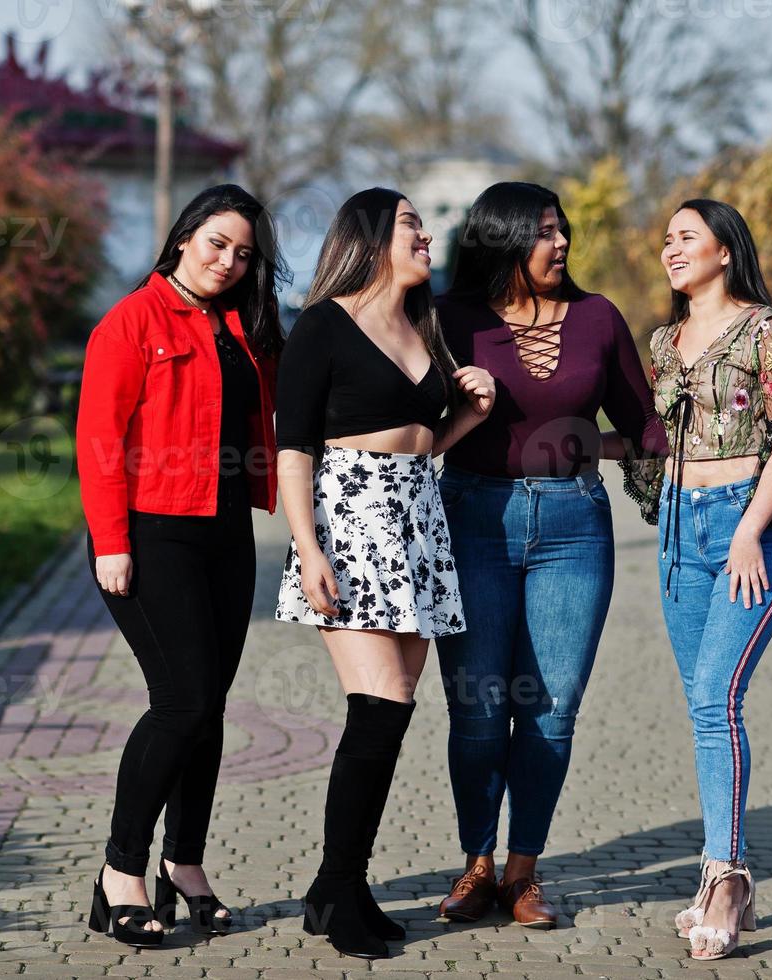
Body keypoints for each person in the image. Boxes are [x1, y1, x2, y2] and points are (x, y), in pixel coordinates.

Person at [432, 181, 668, 928]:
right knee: (477, 712)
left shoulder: (598, 318)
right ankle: (474, 864)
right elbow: (406, 418)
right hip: (472, 517)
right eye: (542, 232)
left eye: (561, 229)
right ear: (500, 239)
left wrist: (581, 443)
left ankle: (522, 873)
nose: (560, 242)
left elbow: (644, 429)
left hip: (572, 528)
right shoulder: (452, 321)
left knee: (550, 713)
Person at [273, 187, 496, 959]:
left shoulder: (421, 326)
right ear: (368, 237)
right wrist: (308, 548)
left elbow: (424, 443)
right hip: (349, 519)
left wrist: (466, 414)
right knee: (378, 704)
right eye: (409, 222)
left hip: (417, 521)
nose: (425, 234)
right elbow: (294, 448)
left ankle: (337, 885)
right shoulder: (324, 326)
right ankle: (339, 889)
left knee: (393, 713)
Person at [76, 184, 287, 946]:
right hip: (149, 533)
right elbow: (98, 440)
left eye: (243, 253)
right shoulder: (129, 322)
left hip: (224, 534)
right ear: (183, 237)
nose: (228, 262)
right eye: (216, 244)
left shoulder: (245, 327)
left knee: (210, 708)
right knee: (181, 701)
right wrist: (110, 542)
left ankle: (184, 866)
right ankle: (120, 873)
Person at [640, 198, 772, 960]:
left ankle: (726, 876)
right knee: (700, 706)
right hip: (680, 530)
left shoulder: (766, 330)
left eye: (685, 237)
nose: (669, 250)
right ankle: (720, 868)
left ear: (724, 250)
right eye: (665, 240)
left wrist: (750, 529)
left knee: (717, 696)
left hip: (753, 530)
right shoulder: (663, 340)